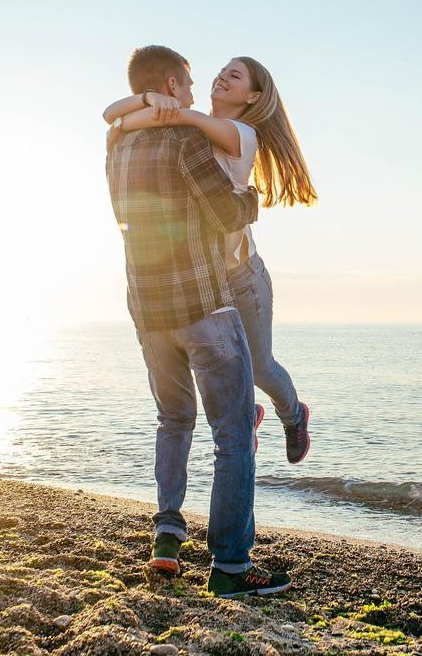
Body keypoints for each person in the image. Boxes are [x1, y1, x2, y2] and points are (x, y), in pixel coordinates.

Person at [105, 45, 290, 597]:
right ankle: (232, 567)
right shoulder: (187, 140)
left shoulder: (116, 142)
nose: (193, 90)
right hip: (204, 307)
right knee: (234, 438)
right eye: (186, 82)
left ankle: (167, 533)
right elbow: (226, 212)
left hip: (146, 309)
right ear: (169, 83)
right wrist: (251, 197)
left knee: (173, 421)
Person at [103, 56, 317, 466]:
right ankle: (245, 413)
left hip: (241, 275)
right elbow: (112, 118)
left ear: (252, 96)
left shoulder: (241, 132)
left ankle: (293, 414)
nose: (221, 76)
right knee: (220, 372)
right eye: (222, 70)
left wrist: (149, 114)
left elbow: (127, 121)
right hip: (203, 276)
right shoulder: (190, 123)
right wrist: (147, 100)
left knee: (259, 366)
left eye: (233, 76)